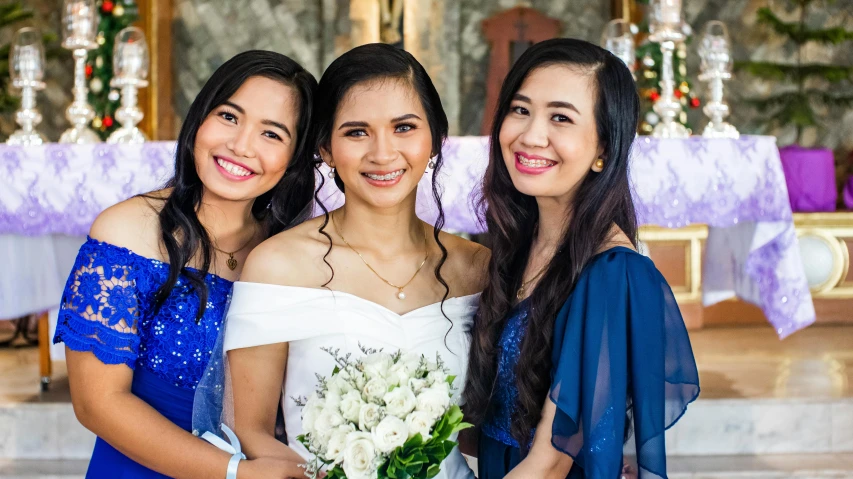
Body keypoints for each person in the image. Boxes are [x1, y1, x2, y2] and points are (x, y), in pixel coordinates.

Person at [219, 43, 488, 479]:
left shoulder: (476, 267)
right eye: (356, 132)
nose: (382, 153)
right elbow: (250, 431)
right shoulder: (279, 265)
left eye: (404, 127)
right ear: (325, 148)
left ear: (436, 139)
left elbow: (487, 427)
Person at [53, 50, 318, 479]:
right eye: (229, 117)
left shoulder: (288, 252)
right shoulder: (126, 232)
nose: (241, 145)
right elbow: (97, 404)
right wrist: (236, 472)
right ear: (199, 118)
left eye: (272, 134)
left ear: (294, 158)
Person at [462, 38, 700, 479]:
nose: (531, 135)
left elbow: (550, 461)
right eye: (520, 110)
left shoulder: (612, 274)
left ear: (604, 149)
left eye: (560, 118)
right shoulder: (515, 247)